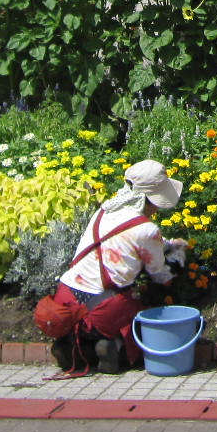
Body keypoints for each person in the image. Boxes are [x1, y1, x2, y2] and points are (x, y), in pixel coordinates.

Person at [50, 159, 189, 375]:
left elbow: (127, 238)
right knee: (134, 311)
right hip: (103, 310)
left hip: (64, 299)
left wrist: (165, 244)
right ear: (151, 199)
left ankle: (73, 345)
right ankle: (115, 346)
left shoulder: (103, 212)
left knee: (91, 319)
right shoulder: (147, 229)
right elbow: (159, 275)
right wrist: (178, 255)